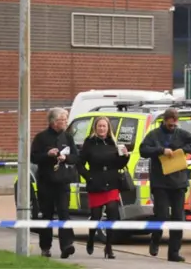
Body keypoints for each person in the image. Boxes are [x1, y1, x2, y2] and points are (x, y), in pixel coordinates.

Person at [140, 108, 191, 262]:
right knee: (161, 215)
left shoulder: (181, 134)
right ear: (164, 121)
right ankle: (155, 238)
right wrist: (161, 150)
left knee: (178, 218)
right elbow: (143, 149)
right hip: (160, 182)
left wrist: (183, 150)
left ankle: (173, 253)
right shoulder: (154, 135)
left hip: (178, 182)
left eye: (175, 125)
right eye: (170, 125)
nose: (172, 127)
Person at [80, 116, 131, 259]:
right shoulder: (89, 143)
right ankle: (91, 237)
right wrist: (88, 176)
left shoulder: (112, 142)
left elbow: (119, 164)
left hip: (112, 183)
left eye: (104, 126)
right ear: (95, 128)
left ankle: (109, 247)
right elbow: (80, 163)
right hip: (96, 183)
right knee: (96, 216)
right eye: (99, 126)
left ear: (108, 128)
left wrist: (125, 156)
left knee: (112, 213)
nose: (102, 128)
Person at [30, 107, 78, 259]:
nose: (64, 122)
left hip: (63, 181)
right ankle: (45, 247)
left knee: (64, 212)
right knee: (47, 215)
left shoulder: (68, 137)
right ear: (53, 122)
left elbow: (76, 157)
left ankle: (67, 245)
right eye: (62, 120)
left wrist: (66, 158)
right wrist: (47, 155)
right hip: (46, 182)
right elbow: (34, 157)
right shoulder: (41, 137)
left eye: (65, 120)